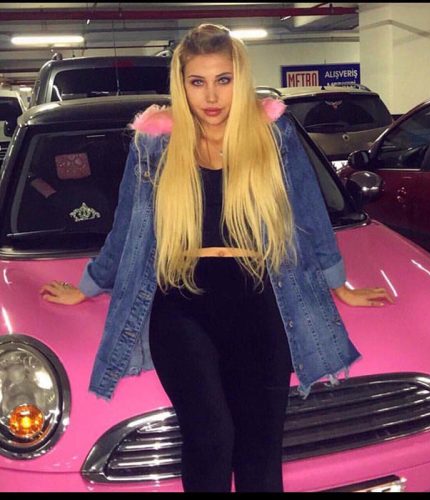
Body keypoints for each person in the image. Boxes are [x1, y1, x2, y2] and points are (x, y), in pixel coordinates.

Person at [40, 23, 394, 493]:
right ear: (181, 84)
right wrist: (87, 285)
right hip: (183, 302)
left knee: (260, 450)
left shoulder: (273, 134)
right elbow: (127, 229)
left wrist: (339, 285)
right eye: (197, 81)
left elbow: (309, 211)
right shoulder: (155, 142)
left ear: (239, 79)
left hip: (260, 298)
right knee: (211, 437)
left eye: (223, 80)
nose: (211, 96)